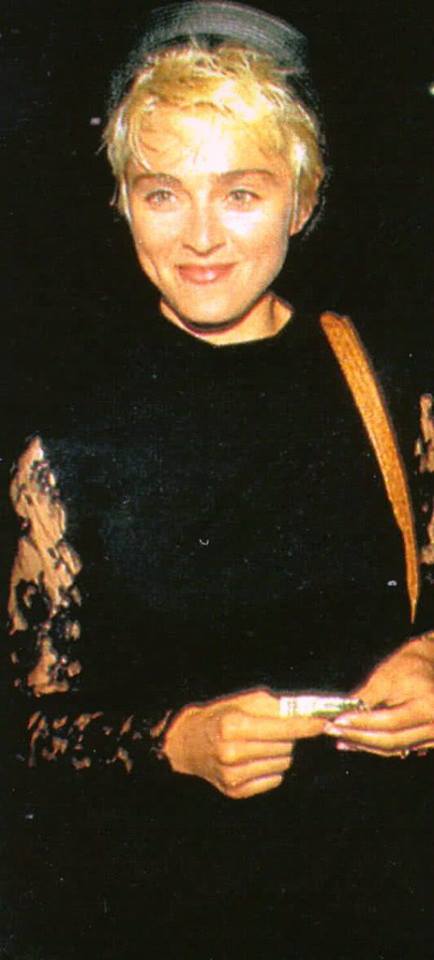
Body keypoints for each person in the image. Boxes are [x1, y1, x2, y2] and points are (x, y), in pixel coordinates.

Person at [2, 3, 434, 958]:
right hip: (159, 916)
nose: (200, 237)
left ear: (301, 201)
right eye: (163, 192)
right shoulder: (67, 438)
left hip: (387, 905)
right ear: (124, 202)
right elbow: (28, 727)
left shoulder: (392, 383)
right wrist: (175, 742)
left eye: (241, 191)